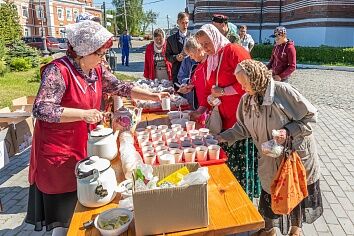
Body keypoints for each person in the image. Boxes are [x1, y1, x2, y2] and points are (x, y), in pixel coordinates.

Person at [25, 20, 169, 236]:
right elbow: (41, 109)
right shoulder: (58, 71)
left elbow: (122, 87)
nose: (103, 58)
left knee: (84, 203)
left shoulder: (95, 70)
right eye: (100, 53)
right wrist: (83, 115)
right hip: (59, 151)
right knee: (65, 216)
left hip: (84, 146)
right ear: (84, 51)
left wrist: (153, 95)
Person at [217, 59, 322, 236]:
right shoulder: (247, 99)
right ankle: (269, 229)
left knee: (294, 192)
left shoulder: (283, 91)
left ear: (256, 79)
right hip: (270, 158)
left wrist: (288, 131)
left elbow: (311, 117)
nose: (242, 88)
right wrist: (221, 137)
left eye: (244, 84)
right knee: (270, 193)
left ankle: (296, 230)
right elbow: (242, 128)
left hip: (294, 156)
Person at [194, 24, 260, 199]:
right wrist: (207, 102)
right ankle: (230, 197)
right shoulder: (211, 58)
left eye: (206, 43)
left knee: (241, 162)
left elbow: (251, 80)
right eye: (201, 44)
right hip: (223, 118)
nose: (204, 48)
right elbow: (210, 88)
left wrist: (223, 92)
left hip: (241, 118)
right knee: (228, 164)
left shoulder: (233, 51)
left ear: (215, 37)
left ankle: (244, 201)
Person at [179, 37, 209, 125]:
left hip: (208, 109)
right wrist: (189, 85)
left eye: (191, 54)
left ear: (199, 50)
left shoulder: (210, 63)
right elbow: (194, 81)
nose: (191, 58)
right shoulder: (199, 66)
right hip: (200, 107)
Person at [166, 12, 191, 90]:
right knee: (178, 98)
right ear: (178, 22)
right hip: (177, 73)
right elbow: (167, 56)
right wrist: (176, 58)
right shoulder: (170, 39)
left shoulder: (193, 38)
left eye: (186, 23)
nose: (185, 25)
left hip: (190, 72)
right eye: (182, 23)